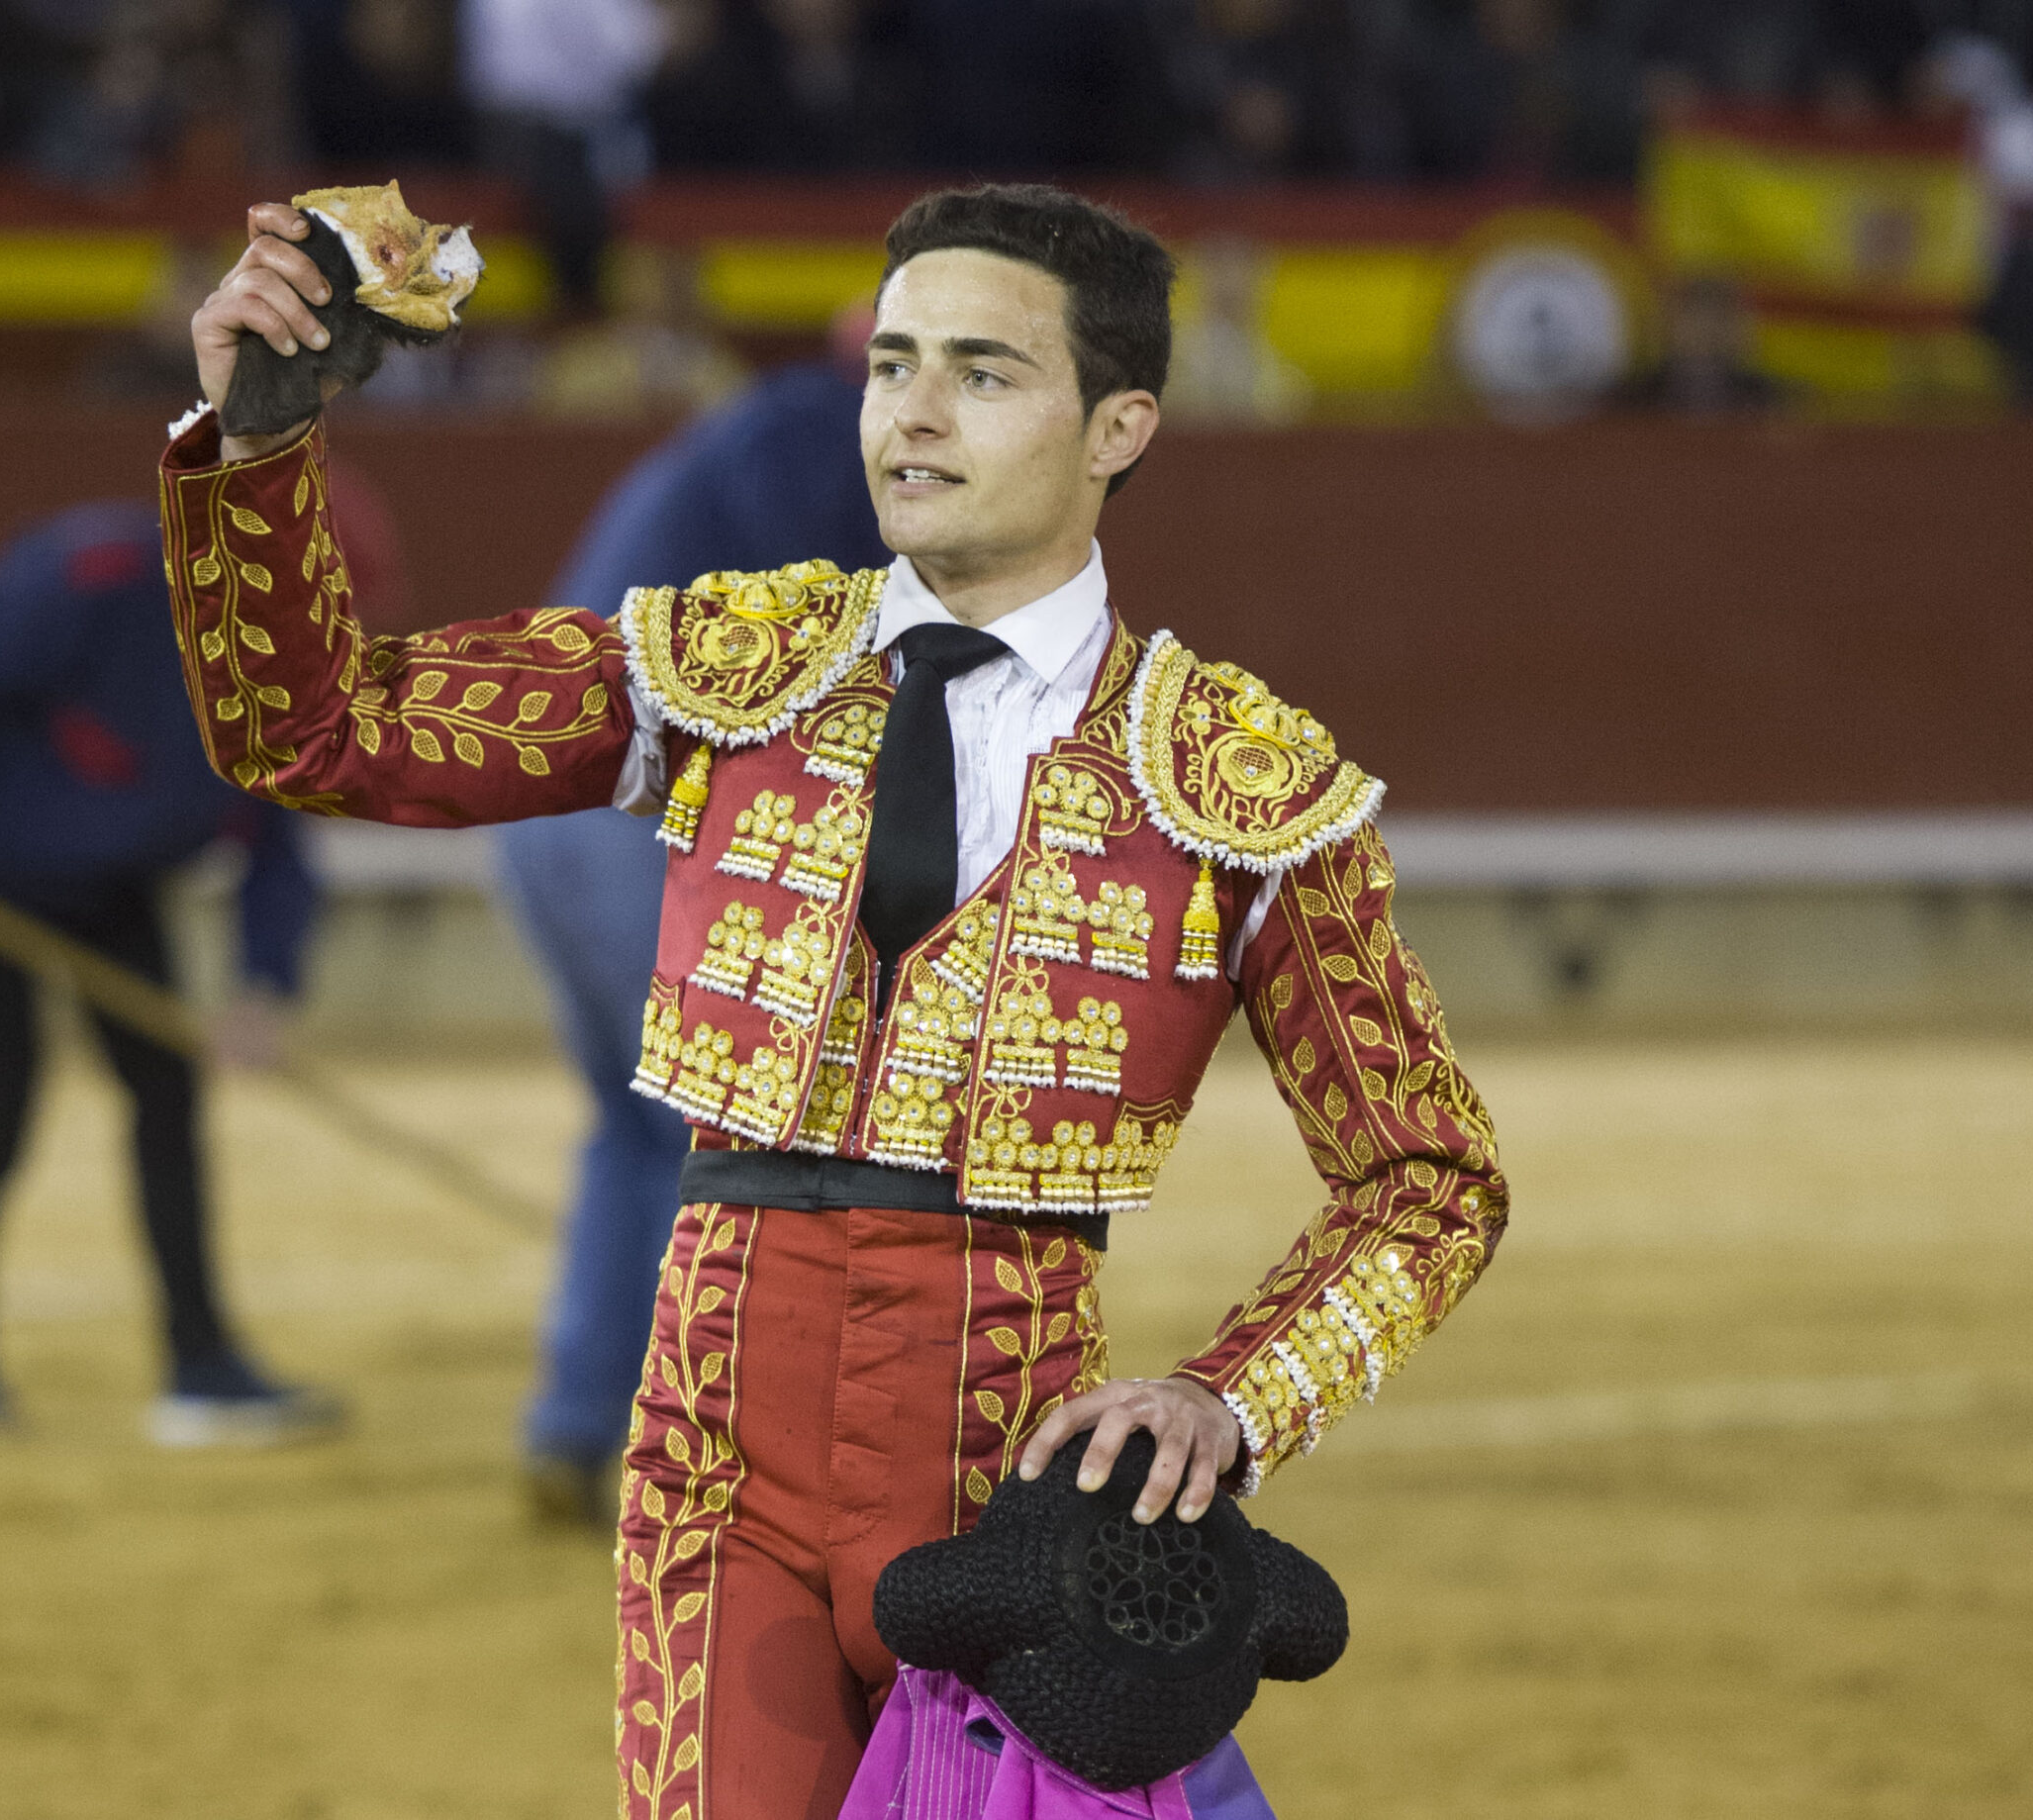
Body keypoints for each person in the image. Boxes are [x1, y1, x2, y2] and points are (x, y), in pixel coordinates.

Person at [164, 182, 1509, 1814]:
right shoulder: (732, 662)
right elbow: (321, 733)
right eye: (892, 364)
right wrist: (257, 451)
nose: (915, 412)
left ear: (1118, 425)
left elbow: (1429, 1182)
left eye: (985, 373)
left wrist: (1227, 1396)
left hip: (1013, 1481)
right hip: (716, 1449)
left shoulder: (1230, 776)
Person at [497, 322, 891, 1525]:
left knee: (637, 1133)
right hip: (636, 825)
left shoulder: (758, 435)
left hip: (549, 806)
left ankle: (579, 1426)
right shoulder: (823, 441)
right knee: (744, 1129)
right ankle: (733, 1469)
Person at [0, 500, 342, 1450]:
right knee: (3, 1098)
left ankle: (201, 1364)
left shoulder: (282, 677)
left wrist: (260, 989)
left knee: (166, 1093)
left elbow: (276, 849)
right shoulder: (107, 575)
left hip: (116, 885)